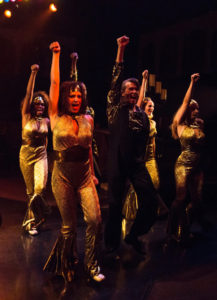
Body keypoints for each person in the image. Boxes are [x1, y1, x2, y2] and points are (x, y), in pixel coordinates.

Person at [43, 42, 105, 292]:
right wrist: (56, 56)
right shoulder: (55, 116)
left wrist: (93, 174)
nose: (76, 98)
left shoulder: (88, 118)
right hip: (63, 178)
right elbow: (55, 84)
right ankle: (67, 263)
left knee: (95, 220)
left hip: (84, 176)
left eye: (79, 95)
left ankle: (92, 266)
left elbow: (89, 148)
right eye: (72, 95)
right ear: (65, 98)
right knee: (68, 226)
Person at [104, 36, 159, 255]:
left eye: (135, 90)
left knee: (151, 202)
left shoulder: (141, 115)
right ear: (121, 92)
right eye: (129, 89)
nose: (133, 92)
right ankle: (111, 246)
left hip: (136, 164)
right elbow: (116, 77)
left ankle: (134, 234)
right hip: (117, 162)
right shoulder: (115, 109)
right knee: (115, 207)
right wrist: (120, 49)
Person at [122, 71, 168, 238]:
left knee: (154, 183)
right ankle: (139, 211)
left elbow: (154, 141)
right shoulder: (140, 119)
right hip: (140, 157)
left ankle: (153, 209)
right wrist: (144, 80)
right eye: (149, 106)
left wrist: (154, 156)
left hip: (150, 157)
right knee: (142, 185)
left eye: (153, 107)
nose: (151, 109)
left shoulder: (153, 122)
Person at [168, 73, 205, 244]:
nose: (195, 110)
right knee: (181, 198)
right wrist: (191, 83)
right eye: (193, 108)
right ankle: (181, 231)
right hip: (182, 165)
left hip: (197, 167)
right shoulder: (180, 124)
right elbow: (184, 103)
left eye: (197, 108)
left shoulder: (199, 124)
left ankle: (179, 225)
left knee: (196, 202)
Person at [20, 64, 50, 236]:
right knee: (31, 191)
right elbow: (29, 94)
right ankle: (31, 222)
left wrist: (45, 155)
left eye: (42, 104)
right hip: (26, 154)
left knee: (39, 189)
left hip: (41, 155)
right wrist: (33, 74)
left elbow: (46, 141)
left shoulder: (46, 120)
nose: (40, 105)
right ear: (32, 105)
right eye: (37, 103)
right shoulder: (26, 116)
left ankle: (40, 215)